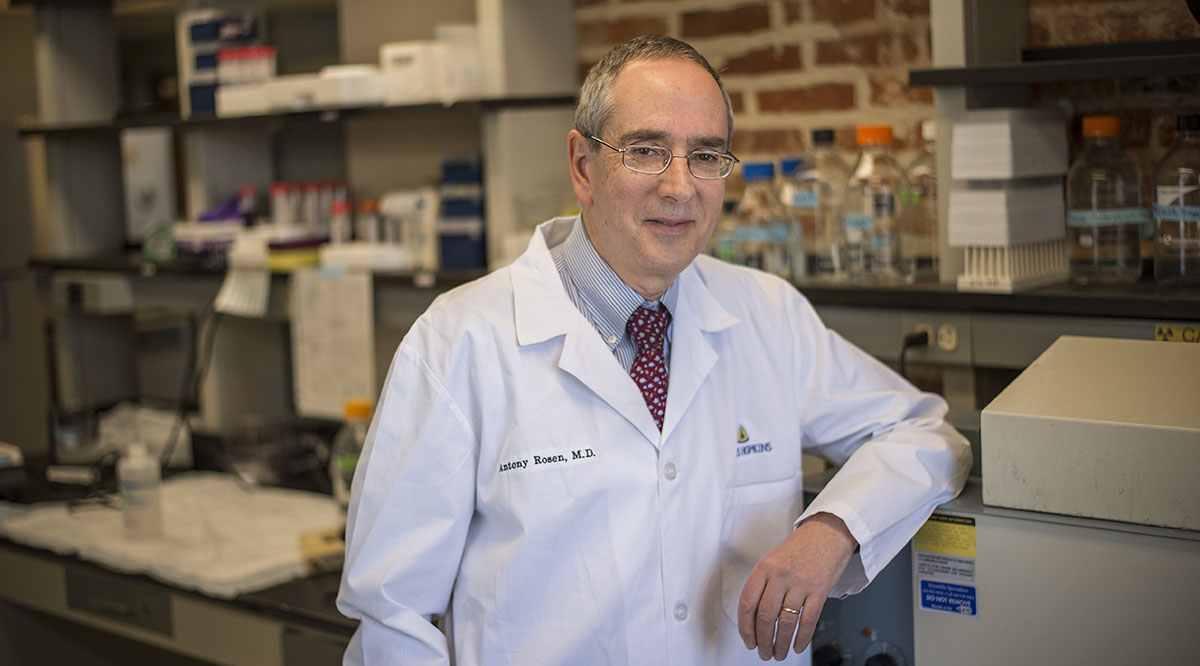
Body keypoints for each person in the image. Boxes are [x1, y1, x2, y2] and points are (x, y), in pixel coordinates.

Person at [337, 35, 971, 665]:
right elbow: (392, 617)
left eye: (705, 155)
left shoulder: (767, 315)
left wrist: (833, 530)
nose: (680, 187)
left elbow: (926, 435)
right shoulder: (459, 342)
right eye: (646, 151)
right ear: (583, 166)